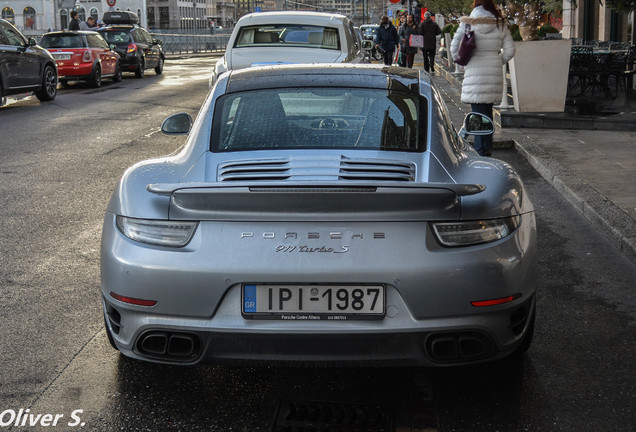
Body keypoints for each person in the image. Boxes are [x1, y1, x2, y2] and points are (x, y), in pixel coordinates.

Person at [450, 0, 515, 157]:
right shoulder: (500, 24)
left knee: (478, 113)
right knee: (487, 111)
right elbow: (510, 51)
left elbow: (453, 49)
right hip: (493, 70)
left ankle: (481, 150)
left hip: (475, 71)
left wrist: (465, 61)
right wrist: (497, 59)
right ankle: (486, 146)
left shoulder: (467, 24)